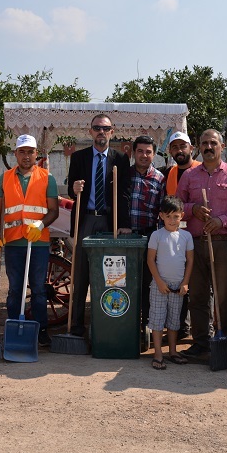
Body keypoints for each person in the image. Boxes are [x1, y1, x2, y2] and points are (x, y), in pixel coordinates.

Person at [176, 129, 227, 358]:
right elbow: (177, 205)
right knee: (197, 295)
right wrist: (193, 210)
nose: (208, 147)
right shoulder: (189, 176)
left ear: (222, 145)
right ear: (198, 146)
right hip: (195, 243)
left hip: (223, 242)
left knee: (224, 294)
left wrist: (222, 221)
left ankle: (224, 337)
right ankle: (201, 341)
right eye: (204, 143)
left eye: (213, 143)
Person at [0, 135, 59, 346]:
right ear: (15, 154)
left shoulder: (47, 178)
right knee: (15, 290)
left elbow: (53, 211)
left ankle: (41, 330)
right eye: (22, 151)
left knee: (38, 289)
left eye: (30, 151)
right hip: (13, 243)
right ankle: (13, 328)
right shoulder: (5, 178)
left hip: (38, 243)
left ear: (36, 154)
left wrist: (39, 225)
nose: (26, 156)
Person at [67, 114, 131, 337]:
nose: (101, 132)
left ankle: (102, 321)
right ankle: (76, 324)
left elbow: (124, 194)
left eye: (105, 128)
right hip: (85, 219)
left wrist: (124, 224)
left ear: (112, 132)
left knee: (108, 273)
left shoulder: (120, 159)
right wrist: (74, 188)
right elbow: (70, 190)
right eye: (97, 128)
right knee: (81, 273)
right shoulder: (79, 157)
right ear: (90, 132)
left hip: (108, 221)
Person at [160, 131, 201, 339]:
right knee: (178, 280)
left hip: (197, 234)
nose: (179, 150)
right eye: (174, 147)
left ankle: (202, 330)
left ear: (191, 149)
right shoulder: (170, 173)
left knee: (199, 284)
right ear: (170, 151)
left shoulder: (201, 170)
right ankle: (181, 327)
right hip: (176, 236)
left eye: (182, 146)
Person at [147, 195, 194, 370]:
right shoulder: (156, 235)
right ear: (161, 216)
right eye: (168, 216)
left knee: (174, 321)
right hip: (160, 285)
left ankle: (173, 351)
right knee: (157, 319)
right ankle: (158, 353)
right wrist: (158, 282)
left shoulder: (186, 236)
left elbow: (190, 261)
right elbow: (150, 260)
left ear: (182, 215)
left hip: (178, 285)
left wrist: (185, 282)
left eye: (176, 216)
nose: (172, 220)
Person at [129, 135, 166, 331]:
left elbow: (162, 212)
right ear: (134, 153)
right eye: (140, 151)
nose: (144, 155)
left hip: (149, 237)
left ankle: (146, 325)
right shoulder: (123, 175)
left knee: (147, 282)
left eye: (148, 152)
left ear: (154, 154)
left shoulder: (160, 178)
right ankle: (128, 322)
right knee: (127, 281)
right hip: (126, 238)